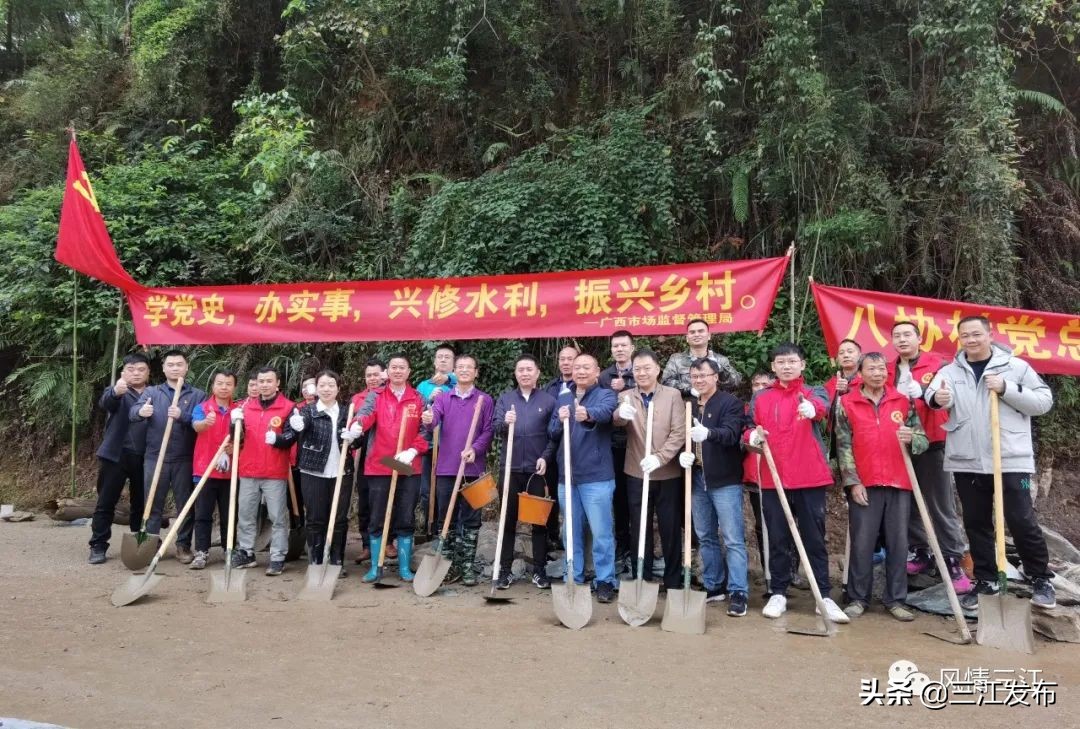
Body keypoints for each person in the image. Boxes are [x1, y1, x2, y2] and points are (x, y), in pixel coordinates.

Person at [926, 316, 1056, 609]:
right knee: (976, 522)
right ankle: (986, 580)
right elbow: (931, 396)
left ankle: (1040, 578)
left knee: (1021, 518)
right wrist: (938, 397)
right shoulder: (950, 370)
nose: (971, 340)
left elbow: (1044, 401)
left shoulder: (1016, 367)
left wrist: (1007, 388)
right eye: (965, 336)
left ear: (989, 334)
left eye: (976, 334)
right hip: (967, 460)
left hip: (1011, 459)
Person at [747, 343, 849, 623]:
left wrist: (811, 408)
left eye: (792, 361)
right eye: (781, 362)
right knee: (778, 537)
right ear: (773, 367)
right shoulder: (762, 398)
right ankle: (778, 591)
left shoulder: (813, 391)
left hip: (809, 475)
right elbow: (748, 426)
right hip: (773, 477)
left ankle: (823, 595)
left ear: (802, 365)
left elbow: (822, 407)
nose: (787, 366)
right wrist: (751, 437)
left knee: (814, 537)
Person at [835, 353, 927, 621]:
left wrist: (913, 438)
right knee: (862, 544)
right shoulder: (846, 403)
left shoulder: (903, 401)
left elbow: (922, 441)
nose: (877, 373)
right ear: (859, 373)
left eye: (881, 368)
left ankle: (896, 599)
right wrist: (852, 482)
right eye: (871, 369)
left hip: (899, 482)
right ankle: (857, 598)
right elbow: (843, 447)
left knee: (899, 543)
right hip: (865, 483)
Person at [889, 321, 970, 593]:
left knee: (940, 503)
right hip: (899, 444)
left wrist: (923, 394)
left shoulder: (939, 365)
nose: (902, 340)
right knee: (909, 502)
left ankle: (953, 558)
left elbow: (948, 398)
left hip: (933, 441)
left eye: (907, 335)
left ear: (919, 338)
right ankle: (920, 551)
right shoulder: (888, 369)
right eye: (897, 336)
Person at [612, 349, 686, 591]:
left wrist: (661, 457)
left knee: (670, 528)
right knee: (639, 527)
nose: (642, 373)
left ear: (657, 369)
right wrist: (619, 414)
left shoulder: (672, 395)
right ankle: (641, 580)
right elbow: (618, 421)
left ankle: (673, 582)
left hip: (668, 473)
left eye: (646, 368)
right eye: (637, 369)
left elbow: (678, 432)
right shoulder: (626, 396)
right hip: (636, 472)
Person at [547, 353, 619, 603]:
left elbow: (604, 413)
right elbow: (553, 431)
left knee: (601, 532)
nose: (580, 371)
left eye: (586, 367)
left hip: (596, 477)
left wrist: (586, 414)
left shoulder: (606, 394)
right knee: (571, 530)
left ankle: (605, 580)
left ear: (597, 371)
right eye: (576, 367)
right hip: (567, 477)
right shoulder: (564, 396)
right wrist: (561, 419)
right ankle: (574, 576)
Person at [683, 358, 750, 616]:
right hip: (697, 477)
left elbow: (732, 434)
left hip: (724, 480)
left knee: (733, 538)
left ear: (716, 377)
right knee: (705, 535)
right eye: (694, 376)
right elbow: (682, 436)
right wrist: (684, 454)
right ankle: (714, 585)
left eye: (704, 375)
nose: (699, 380)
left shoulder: (730, 403)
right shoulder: (688, 405)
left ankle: (738, 591)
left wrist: (709, 434)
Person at [422, 354, 495, 586]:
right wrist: (427, 418)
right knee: (448, 519)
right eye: (460, 367)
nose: (464, 370)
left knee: (473, 520)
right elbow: (433, 422)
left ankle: (468, 567)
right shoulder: (444, 398)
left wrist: (475, 448)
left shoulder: (484, 399)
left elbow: (488, 430)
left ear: (476, 372)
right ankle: (449, 566)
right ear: (454, 372)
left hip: (474, 470)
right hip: (446, 468)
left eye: (468, 367)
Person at [355, 354, 429, 582]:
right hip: (381, 462)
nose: (398, 371)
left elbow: (426, 430)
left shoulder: (418, 399)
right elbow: (364, 416)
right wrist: (357, 425)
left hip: (408, 464)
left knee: (405, 515)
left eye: (402, 367)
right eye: (394, 367)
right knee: (377, 516)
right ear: (387, 371)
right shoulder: (376, 396)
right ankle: (376, 567)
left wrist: (414, 450)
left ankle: (404, 568)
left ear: (409, 372)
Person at [129, 349, 205, 564]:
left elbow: (202, 424)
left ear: (186, 367)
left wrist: (183, 416)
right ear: (163, 368)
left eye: (179, 364)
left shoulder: (197, 395)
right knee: (152, 503)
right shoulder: (152, 392)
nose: (174, 368)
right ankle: (151, 544)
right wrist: (140, 412)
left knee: (185, 504)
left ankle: (183, 545)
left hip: (184, 457)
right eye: (170, 364)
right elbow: (133, 412)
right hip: (155, 456)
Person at [493, 354, 558, 588]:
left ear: (537, 373)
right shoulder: (506, 399)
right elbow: (496, 428)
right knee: (508, 520)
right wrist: (505, 422)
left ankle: (539, 570)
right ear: (516, 373)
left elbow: (554, 437)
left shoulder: (549, 401)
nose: (525, 373)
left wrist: (545, 457)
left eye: (529, 369)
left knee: (538, 522)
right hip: (510, 468)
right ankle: (504, 570)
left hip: (536, 471)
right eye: (521, 370)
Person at [287, 370, 359, 576]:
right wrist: (297, 426)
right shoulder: (308, 411)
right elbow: (298, 428)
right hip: (313, 472)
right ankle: (316, 561)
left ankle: (336, 560)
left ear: (338, 388)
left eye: (331, 385)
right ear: (316, 389)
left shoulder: (347, 412)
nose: (326, 389)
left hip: (341, 472)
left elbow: (359, 439)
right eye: (322, 385)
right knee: (316, 518)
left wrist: (354, 437)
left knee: (339, 519)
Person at [229, 366, 297, 576]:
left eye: (269, 381)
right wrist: (233, 424)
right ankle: (247, 552)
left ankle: (277, 557)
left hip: (274, 472)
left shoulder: (288, 407)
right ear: (255, 384)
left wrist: (278, 440)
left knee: (277, 517)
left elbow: (292, 437)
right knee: (246, 515)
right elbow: (237, 439)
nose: (265, 385)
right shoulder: (245, 407)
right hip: (248, 469)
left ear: (277, 384)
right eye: (261, 381)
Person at [88, 353, 151, 564]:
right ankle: (98, 545)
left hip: (145, 456)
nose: (136, 373)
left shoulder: (154, 393)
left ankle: (139, 542)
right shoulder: (118, 391)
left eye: (141, 369)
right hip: (115, 455)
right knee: (106, 502)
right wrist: (116, 391)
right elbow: (106, 402)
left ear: (148, 373)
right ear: (123, 373)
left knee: (141, 503)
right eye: (131, 369)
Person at [189, 369, 238, 570]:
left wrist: (235, 446)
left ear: (234, 387)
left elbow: (245, 437)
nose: (224, 387)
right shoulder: (203, 408)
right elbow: (196, 426)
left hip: (230, 472)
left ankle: (230, 549)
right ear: (213, 386)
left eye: (228, 383)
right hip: (204, 470)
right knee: (203, 514)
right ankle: (201, 551)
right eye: (220, 383)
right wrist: (205, 423)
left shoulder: (239, 411)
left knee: (229, 514)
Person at [599, 330, 635, 574]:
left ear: (632, 348)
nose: (619, 349)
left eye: (623, 345)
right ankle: (622, 547)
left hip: (638, 444)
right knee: (618, 498)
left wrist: (628, 386)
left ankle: (639, 548)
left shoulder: (642, 370)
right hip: (612, 445)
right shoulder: (603, 376)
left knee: (637, 497)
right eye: (615, 346)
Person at [415, 344, 457, 539]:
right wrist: (428, 400)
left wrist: (449, 380)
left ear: (454, 363)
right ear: (433, 361)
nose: (443, 360)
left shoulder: (458, 383)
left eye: (447, 357)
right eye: (439, 357)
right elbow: (415, 413)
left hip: (451, 446)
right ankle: (430, 525)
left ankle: (446, 528)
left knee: (446, 488)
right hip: (429, 445)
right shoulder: (423, 386)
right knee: (426, 490)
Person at [349, 359, 385, 563]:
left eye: (376, 375)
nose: (373, 379)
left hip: (390, 455)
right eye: (369, 375)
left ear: (384, 375)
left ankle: (388, 541)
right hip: (365, 454)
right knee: (365, 500)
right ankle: (366, 544)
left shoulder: (392, 394)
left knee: (391, 497)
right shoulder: (358, 399)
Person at [742, 371, 773, 592]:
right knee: (762, 526)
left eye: (765, 384)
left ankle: (790, 571)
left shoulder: (778, 408)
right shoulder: (745, 412)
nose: (760, 388)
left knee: (788, 525)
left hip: (782, 478)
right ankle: (769, 571)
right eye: (756, 384)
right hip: (755, 477)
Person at [662, 318, 741, 396]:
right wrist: (690, 390)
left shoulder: (720, 359)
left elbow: (735, 383)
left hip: (716, 405)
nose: (696, 334)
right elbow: (666, 382)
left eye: (701, 331)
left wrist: (720, 369)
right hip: (686, 405)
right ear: (687, 338)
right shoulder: (676, 359)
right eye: (692, 332)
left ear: (709, 336)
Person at [823, 339, 862, 405]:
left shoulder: (867, 381)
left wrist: (848, 390)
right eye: (841, 353)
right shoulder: (831, 383)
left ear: (859, 355)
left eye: (850, 351)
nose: (845, 355)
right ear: (837, 358)